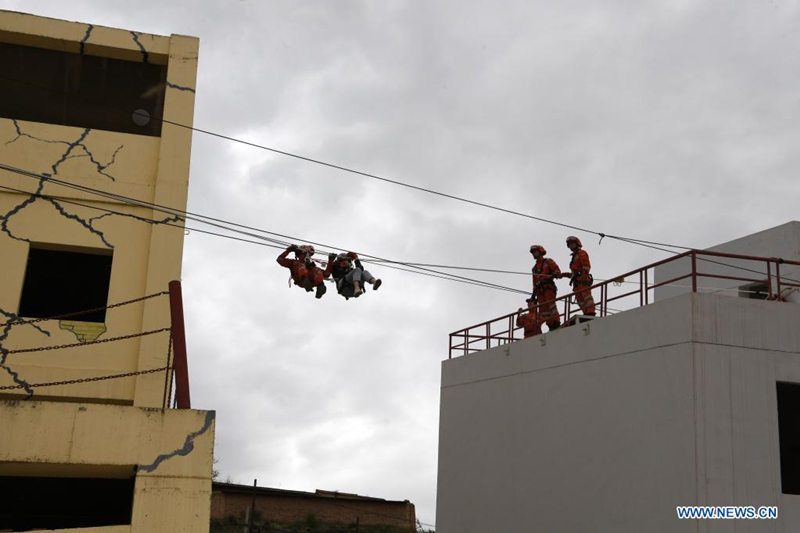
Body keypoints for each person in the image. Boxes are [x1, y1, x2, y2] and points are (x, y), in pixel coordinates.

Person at [530, 244, 561, 331]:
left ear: (540, 252)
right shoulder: (534, 269)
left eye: (535, 252)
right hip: (540, 291)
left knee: (551, 306)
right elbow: (534, 283)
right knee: (543, 309)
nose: (533, 254)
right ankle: (550, 325)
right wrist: (533, 295)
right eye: (533, 253)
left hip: (548, 287)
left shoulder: (548, 261)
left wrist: (555, 274)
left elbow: (557, 271)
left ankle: (556, 322)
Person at [564, 236, 596, 316]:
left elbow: (586, 267)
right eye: (570, 244)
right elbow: (573, 273)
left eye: (572, 244)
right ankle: (586, 313)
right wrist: (563, 275)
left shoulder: (581, 253)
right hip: (577, 282)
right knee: (580, 300)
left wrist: (582, 277)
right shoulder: (574, 257)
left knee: (587, 297)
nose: (571, 246)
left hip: (582, 281)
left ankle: (591, 312)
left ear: (577, 244)